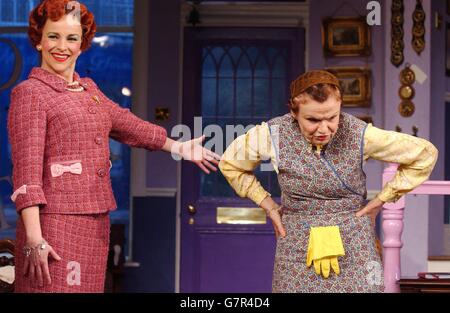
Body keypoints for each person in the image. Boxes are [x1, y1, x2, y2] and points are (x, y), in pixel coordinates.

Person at [8, 0, 220, 293]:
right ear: (39, 41)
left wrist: (179, 148)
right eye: (53, 36)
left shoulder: (89, 91)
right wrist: (34, 238)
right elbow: (27, 173)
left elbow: (128, 124)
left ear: (82, 44)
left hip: (95, 223)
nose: (62, 46)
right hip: (53, 226)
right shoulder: (30, 93)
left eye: (72, 38)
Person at [219, 69, 438, 293]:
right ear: (294, 112)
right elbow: (231, 164)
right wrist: (268, 205)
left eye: (332, 117)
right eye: (313, 119)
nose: (324, 129)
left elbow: (424, 154)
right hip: (296, 245)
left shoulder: (360, 133)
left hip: (355, 245)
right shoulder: (273, 133)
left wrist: (382, 200)